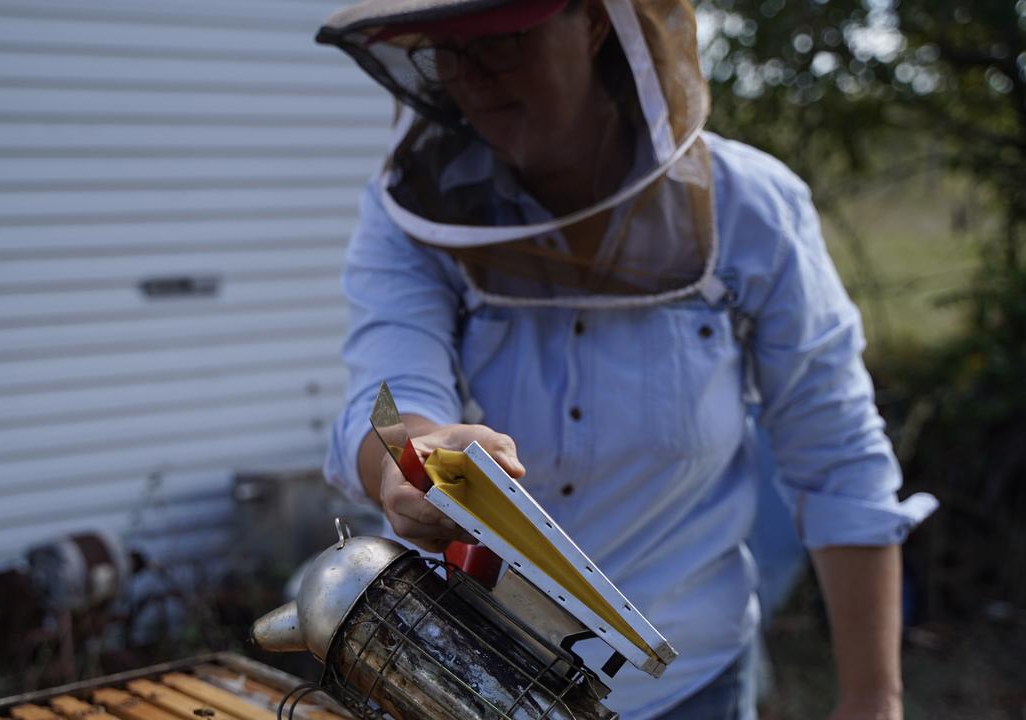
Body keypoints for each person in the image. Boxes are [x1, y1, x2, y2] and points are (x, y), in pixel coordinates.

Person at [314, 0, 939, 717]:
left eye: (504, 39)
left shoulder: (751, 209)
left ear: (595, 22)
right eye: (445, 50)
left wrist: (873, 699)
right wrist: (412, 457)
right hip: (478, 677)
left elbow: (838, 460)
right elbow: (390, 381)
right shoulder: (410, 212)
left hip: (693, 681)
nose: (472, 77)